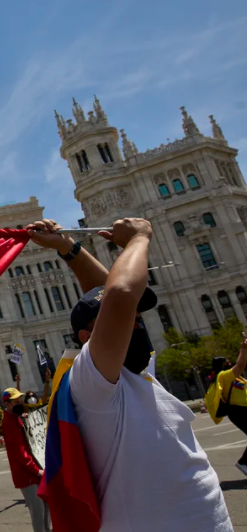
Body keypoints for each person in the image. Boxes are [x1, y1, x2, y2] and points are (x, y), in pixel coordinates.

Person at [29, 218, 232, 531]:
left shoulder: (133, 373)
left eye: (137, 320)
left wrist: (69, 249)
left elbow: (111, 296)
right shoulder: (90, 380)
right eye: (127, 322)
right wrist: (140, 237)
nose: (135, 326)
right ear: (86, 338)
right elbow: (120, 294)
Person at [1, 388, 50, 532]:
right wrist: (37, 470)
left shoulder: (20, 418)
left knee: (47, 510)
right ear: (8, 404)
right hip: (27, 475)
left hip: (37, 469)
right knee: (38, 513)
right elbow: (20, 452)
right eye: (17, 402)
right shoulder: (9, 422)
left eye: (21, 401)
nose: (20, 403)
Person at [205, 334, 247, 476]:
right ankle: (243, 462)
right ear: (222, 365)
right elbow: (240, 365)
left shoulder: (232, 376)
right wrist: (243, 348)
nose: (230, 363)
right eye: (227, 362)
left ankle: (244, 462)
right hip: (237, 411)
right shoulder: (223, 376)